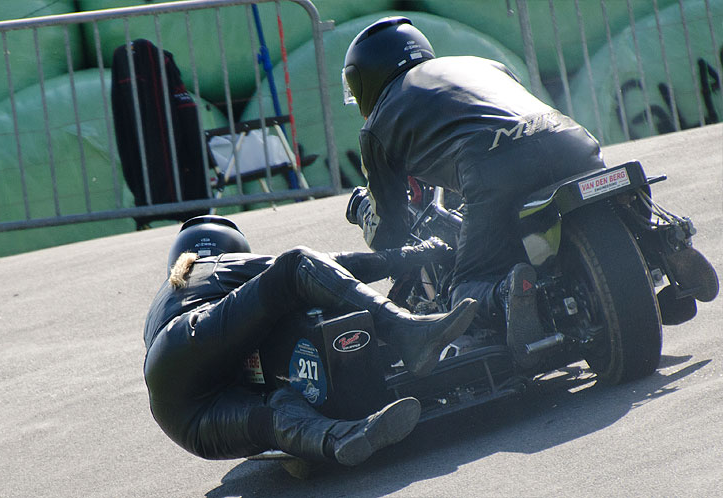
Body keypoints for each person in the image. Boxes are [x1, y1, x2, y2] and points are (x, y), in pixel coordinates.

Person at [342, 16, 607, 370]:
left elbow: (389, 231)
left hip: (495, 171)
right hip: (570, 139)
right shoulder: (481, 64)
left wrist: (364, 213)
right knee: (600, 197)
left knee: (464, 285)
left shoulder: (376, 125)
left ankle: (508, 292)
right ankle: (662, 237)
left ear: (365, 78)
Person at [143, 215, 478, 466]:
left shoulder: (165, 298)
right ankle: (407, 332)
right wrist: (413, 254)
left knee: (275, 410)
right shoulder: (206, 265)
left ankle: (342, 436)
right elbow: (317, 268)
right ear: (229, 247)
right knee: (297, 264)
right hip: (186, 339)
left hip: (180, 418)